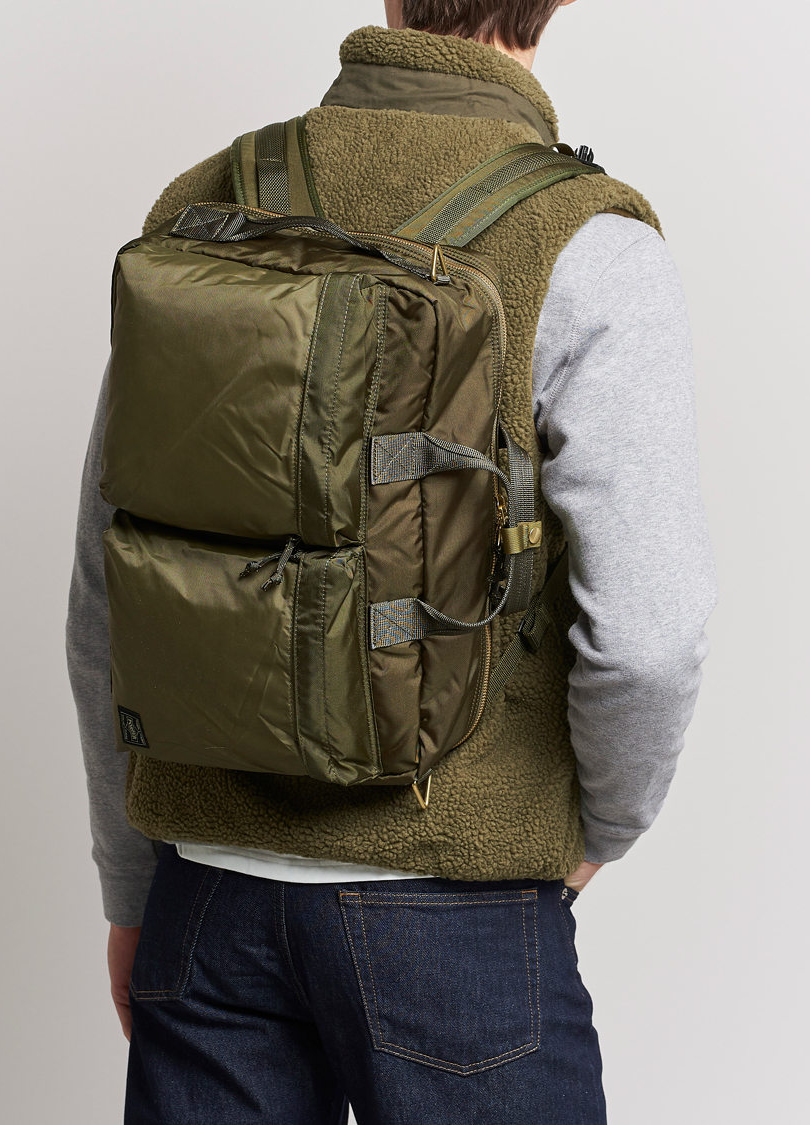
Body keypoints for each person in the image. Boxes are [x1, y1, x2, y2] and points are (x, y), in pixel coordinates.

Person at [67, 1, 717, 1120]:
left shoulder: (203, 201)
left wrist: (133, 885)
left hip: (206, 906)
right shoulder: (587, 240)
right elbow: (649, 639)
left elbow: (107, 592)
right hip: (457, 916)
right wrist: (599, 833)